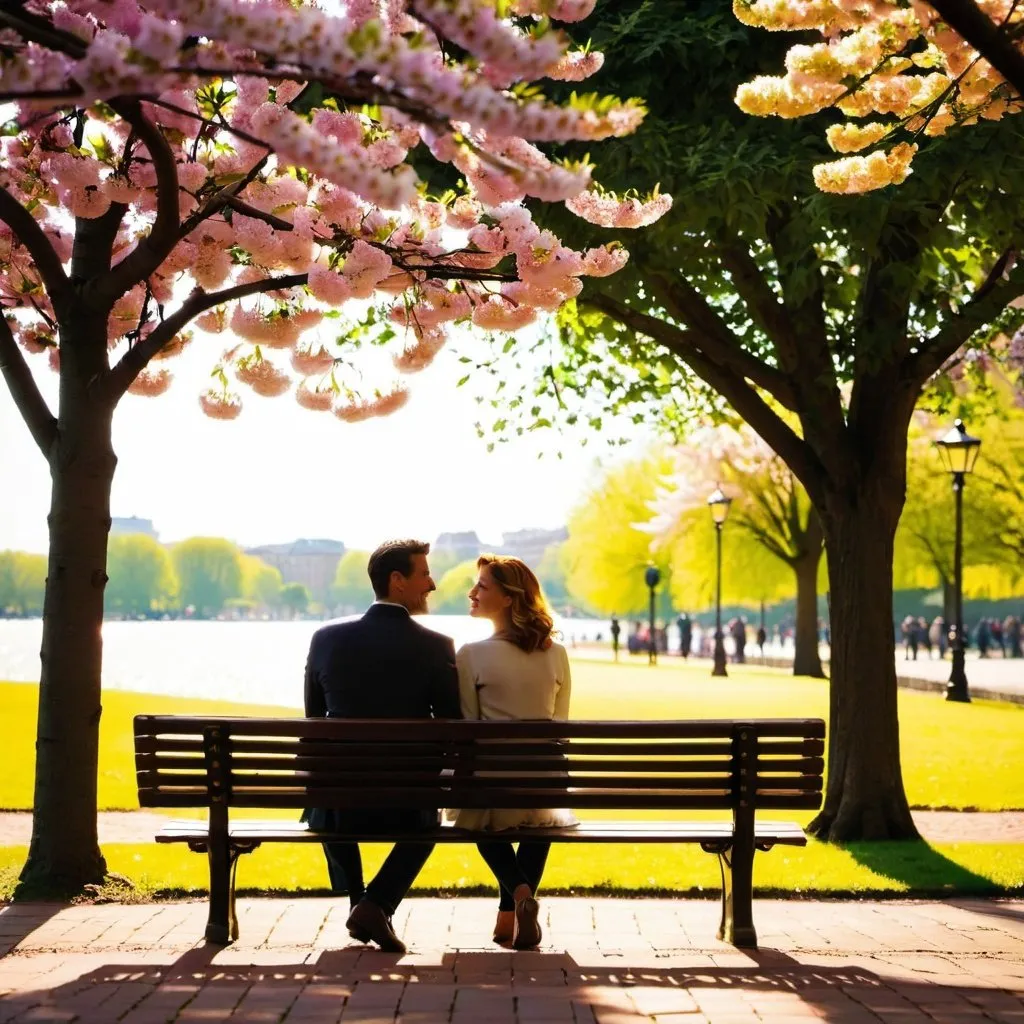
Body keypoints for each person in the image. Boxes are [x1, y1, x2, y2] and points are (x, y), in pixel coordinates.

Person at [303, 539, 461, 953]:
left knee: (323, 793)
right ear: (397, 581)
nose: (432, 583)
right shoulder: (436, 645)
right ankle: (374, 903)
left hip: (338, 803)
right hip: (406, 802)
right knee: (430, 825)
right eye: (424, 573)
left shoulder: (325, 639)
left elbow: (313, 720)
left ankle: (360, 900)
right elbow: (452, 727)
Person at [452, 554, 576, 950]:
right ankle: (512, 913)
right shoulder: (556, 652)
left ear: (509, 598)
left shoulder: (471, 654)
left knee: (472, 818)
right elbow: (561, 727)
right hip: (545, 785)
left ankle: (520, 898)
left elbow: (468, 732)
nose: (471, 592)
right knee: (541, 817)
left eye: (482, 586)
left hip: (492, 787)